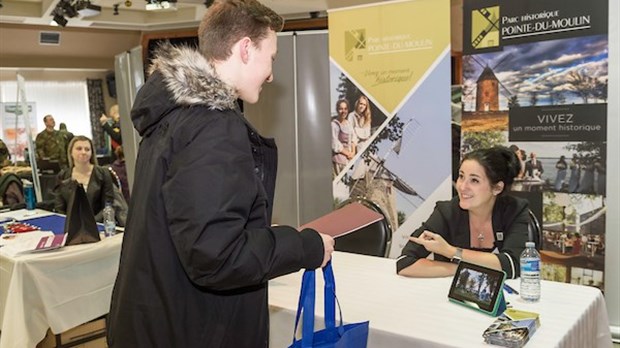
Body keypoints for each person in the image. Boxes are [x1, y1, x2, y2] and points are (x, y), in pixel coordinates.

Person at [107, 1, 334, 347]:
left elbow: (188, 224)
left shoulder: (176, 115)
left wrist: (250, 231)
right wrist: (304, 246)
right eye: (271, 57)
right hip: (190, 329)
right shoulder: (212, 126)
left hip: (158, 322)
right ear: (245, 49)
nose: (272, 74)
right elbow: (217, 257)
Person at [397, 146, 529, 279]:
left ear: (497, 188)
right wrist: (464, 268)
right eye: (461, 176)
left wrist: (451, 252)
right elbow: (405, 263)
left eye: (474, 180)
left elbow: (513, 265)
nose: (462, 186)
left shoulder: (515, 209)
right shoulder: (447, 212)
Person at [53, 135, 115, 222]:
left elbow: (108, 205)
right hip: (70, 226)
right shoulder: (62, 176)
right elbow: (59, 207)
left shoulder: (103, 173)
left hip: (98, 224)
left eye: (87, 149)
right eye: (79, 148)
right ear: (71, 152)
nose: (83, 152)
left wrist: (91, 223)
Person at [332, 98, 356, 177]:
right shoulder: (334, 124)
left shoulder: (349, 124)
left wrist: (353, 152)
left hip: (348, 160)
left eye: (345, 109)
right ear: (337, 110)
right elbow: (334, 143)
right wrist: (347, 153)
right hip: (338, 159)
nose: (343, 111)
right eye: (341, 109)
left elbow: (353, 138)